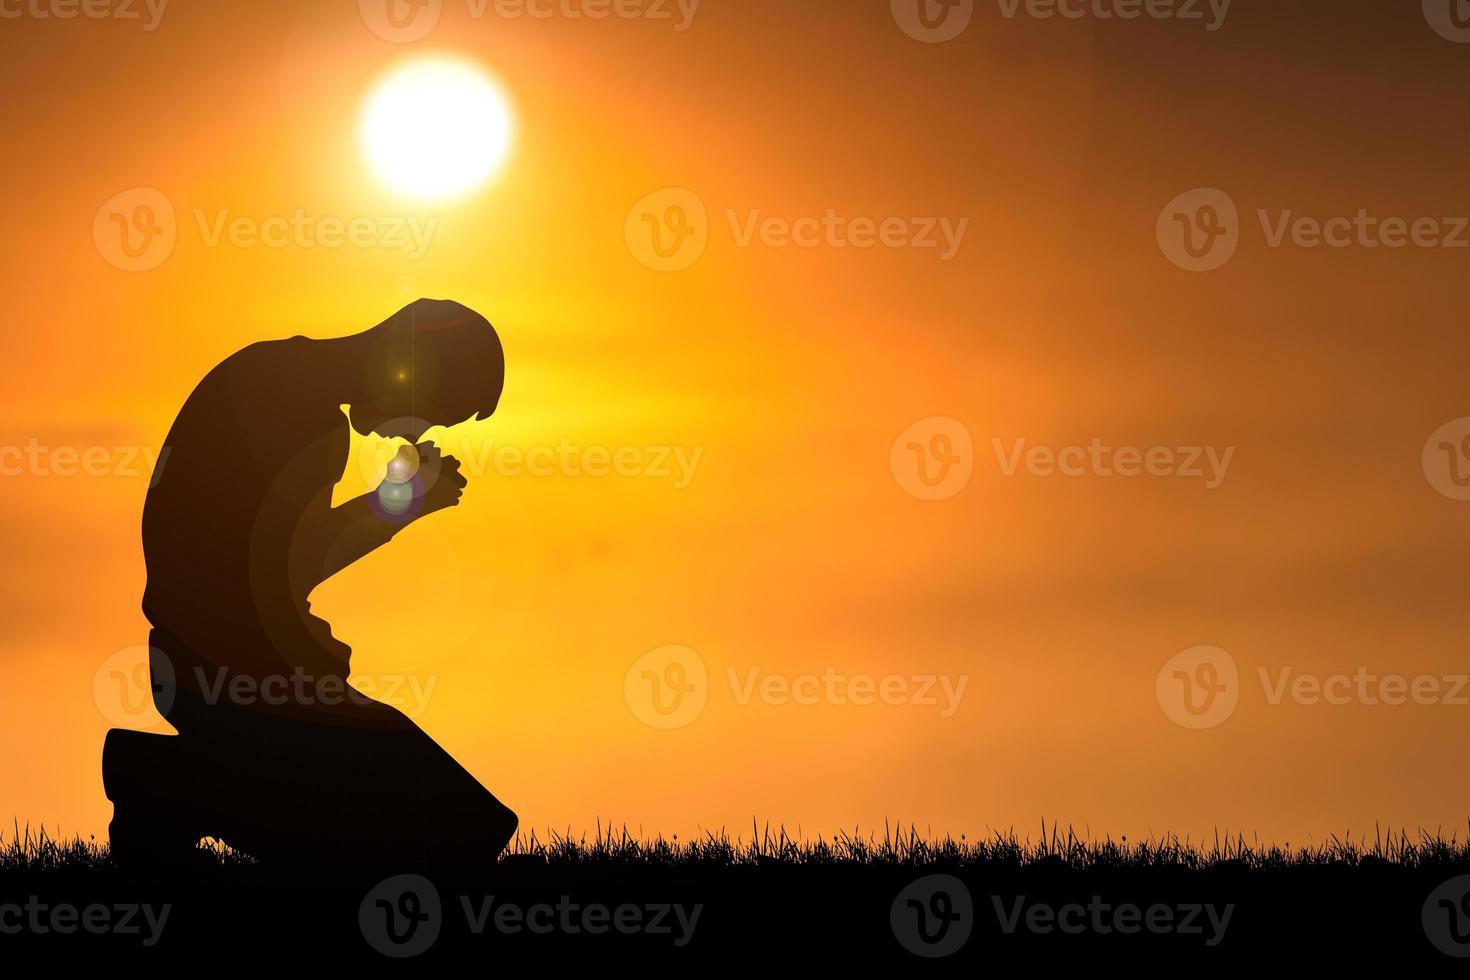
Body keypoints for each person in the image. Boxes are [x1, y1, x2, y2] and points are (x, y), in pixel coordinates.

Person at [102, 298, 518, 879]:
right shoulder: (304, 415)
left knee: (452, 825)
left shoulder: (269, 374)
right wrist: (396, 507)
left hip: (208, 665)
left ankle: (180, 782)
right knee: (457, 829)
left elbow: (271, 559)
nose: (415, 430)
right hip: (244, 681)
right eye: (430, 411)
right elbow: (289, 566)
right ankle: (172, 784)